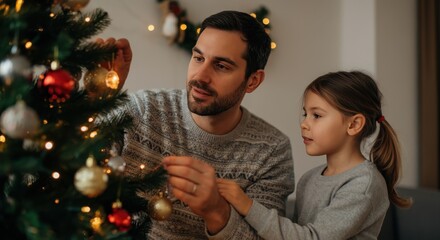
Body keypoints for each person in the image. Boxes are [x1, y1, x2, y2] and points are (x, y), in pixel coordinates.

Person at [102, 10, 295, 239]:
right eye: (198, 58)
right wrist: (99, 103)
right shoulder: (142, 110)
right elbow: (79, 175)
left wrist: (216, 212)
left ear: (252, 81)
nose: (201, 77)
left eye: (221, 66)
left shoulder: (272, 151)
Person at [217, 71, 412, 239]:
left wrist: (247, 205)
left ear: (353, 125)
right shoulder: (308, 180)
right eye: (305, 114)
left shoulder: (364, 184)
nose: (304, 123)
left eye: (316, 115)